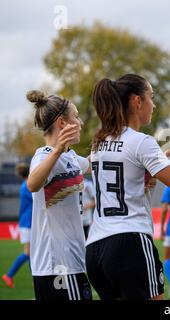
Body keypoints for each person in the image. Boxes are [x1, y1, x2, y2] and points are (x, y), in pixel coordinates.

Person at [85, 74, 170, 300]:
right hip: (130, 243)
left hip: (95, 249)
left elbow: (131, 166)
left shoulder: (99, 142)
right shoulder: (142, 141)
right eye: (151, 97)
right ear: (137, 101)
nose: (154, 104)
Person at [26, 90, 92, 300]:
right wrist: (57, 150)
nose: (80, 122)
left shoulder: (71, 157)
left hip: (72, 262)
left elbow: (93, 162)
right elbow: (33, 184)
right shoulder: (44, 156)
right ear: (62, 123)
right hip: (57, 266)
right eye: (76, 116)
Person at [2, 163, 32, 288]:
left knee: (31, 252)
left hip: (28, 223)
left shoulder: (26, 185)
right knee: (29, 252)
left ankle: (35, 279)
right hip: (28, 223)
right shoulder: (28, 186)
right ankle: (9, 275)